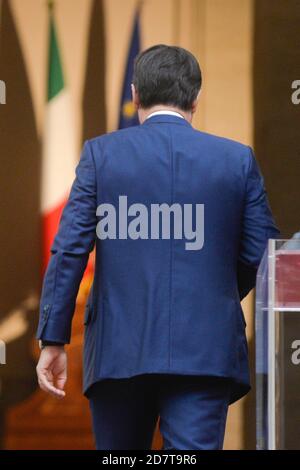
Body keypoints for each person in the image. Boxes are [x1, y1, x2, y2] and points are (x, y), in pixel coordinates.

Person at [36, 44, 279, 450]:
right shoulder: (236, 159)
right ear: (196, 99)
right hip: (204, 351)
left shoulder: (101, 155)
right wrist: (214, 291)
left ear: (134, 95)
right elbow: (262, 256)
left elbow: (69, 251)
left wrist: (53, 339)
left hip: (118, 350)